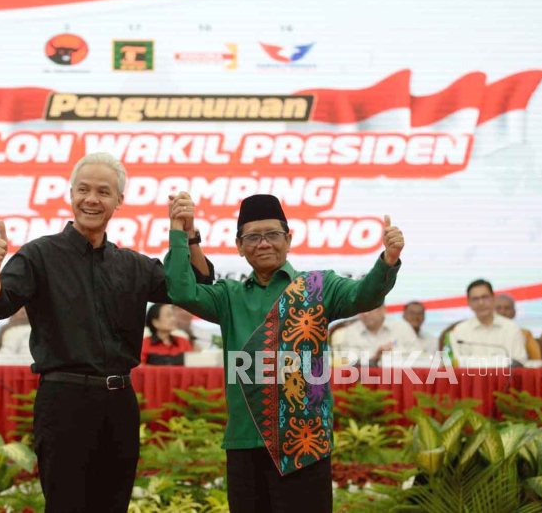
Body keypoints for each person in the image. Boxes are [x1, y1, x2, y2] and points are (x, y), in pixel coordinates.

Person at [0, 152, 214, 513]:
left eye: (103, 191)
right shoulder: (40, 255)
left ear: (119, 201)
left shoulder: (132, 265)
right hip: (63, 401)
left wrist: (188, 231)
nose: (92, 199)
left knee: (113, 505)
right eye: (83, 189)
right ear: (71, 194)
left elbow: (194, 283)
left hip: (120, 403)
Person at [164, 193, 404, 513]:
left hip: (304, 445)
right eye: (253, 237)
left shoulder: (320, 287)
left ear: (289, 239)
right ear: (239, 246)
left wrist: (387, 259)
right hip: (245, 444)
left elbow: (364, 295)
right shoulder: (228, 296)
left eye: (273, 235)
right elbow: (182, 291)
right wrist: (179, 232)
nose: (264, 244)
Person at [449, 280, 528, 363]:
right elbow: (457, 365)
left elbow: (520, 362)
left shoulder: (511, 328)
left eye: (485, 297)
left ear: (493, 298)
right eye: (475, 299)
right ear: (469, 303)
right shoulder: (460, 331)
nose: (481, 303)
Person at [334, 304, 419, 365]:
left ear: (383, 310)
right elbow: (345, 363)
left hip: (398, 380)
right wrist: (374, 358)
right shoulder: (348, 332)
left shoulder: (403, 329)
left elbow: (419, 358)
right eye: (360, 309)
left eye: (369, 309)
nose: (365, 314)